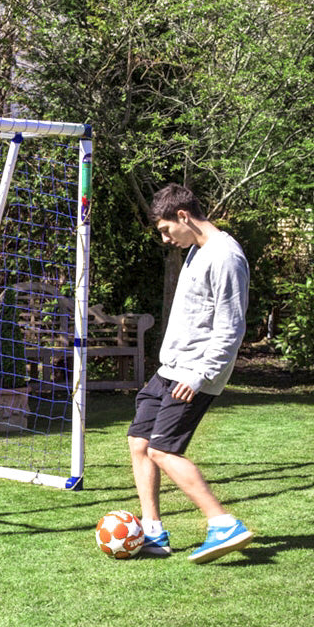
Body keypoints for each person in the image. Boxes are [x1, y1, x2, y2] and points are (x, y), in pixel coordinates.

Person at [127, 183, 253, 563]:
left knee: (163, 450)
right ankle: (154, 533)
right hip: (171, 369)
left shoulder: (226, 257)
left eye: (167, 229)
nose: (166, 238)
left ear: (183, 216)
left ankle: (223, 523)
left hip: (195, 374)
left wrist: (199, 377)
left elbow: (231, 327)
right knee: (139, 442)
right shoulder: (197, 252)